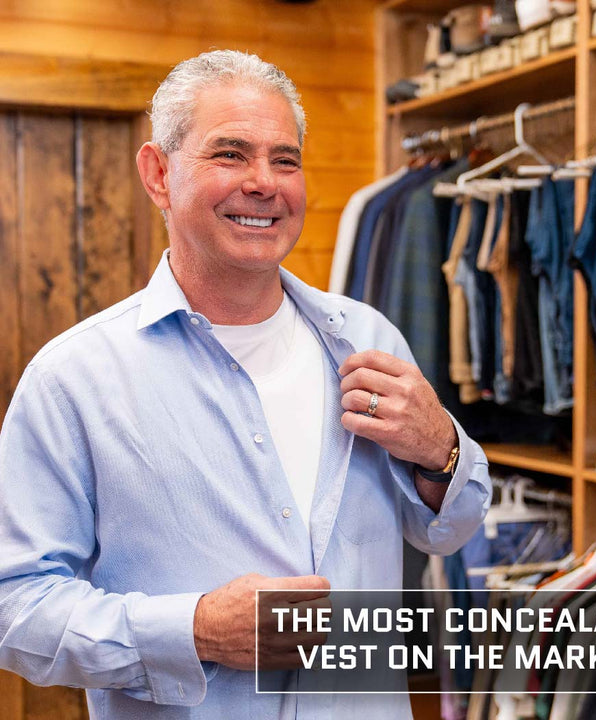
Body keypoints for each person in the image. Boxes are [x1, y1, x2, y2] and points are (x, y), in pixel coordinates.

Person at [0, 50, 491, 719]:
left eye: (284, 160)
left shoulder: (371, 341)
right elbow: (15, 607)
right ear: (158, 173)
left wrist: (442, 451)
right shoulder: (73, 381)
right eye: (229, 154)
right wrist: (196, 629)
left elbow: (452, 529)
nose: (264, 183)